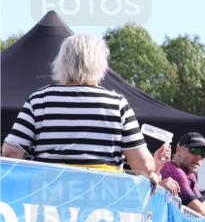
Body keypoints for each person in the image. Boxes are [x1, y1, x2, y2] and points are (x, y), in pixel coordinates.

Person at [1, 34, 173, 195]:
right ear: (100, 65)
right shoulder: (117, 104)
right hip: (103, 204)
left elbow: (11, 153)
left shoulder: (39, 99)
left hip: (45, 201)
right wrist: (152, 169)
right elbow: (142, 165)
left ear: (61, 62)